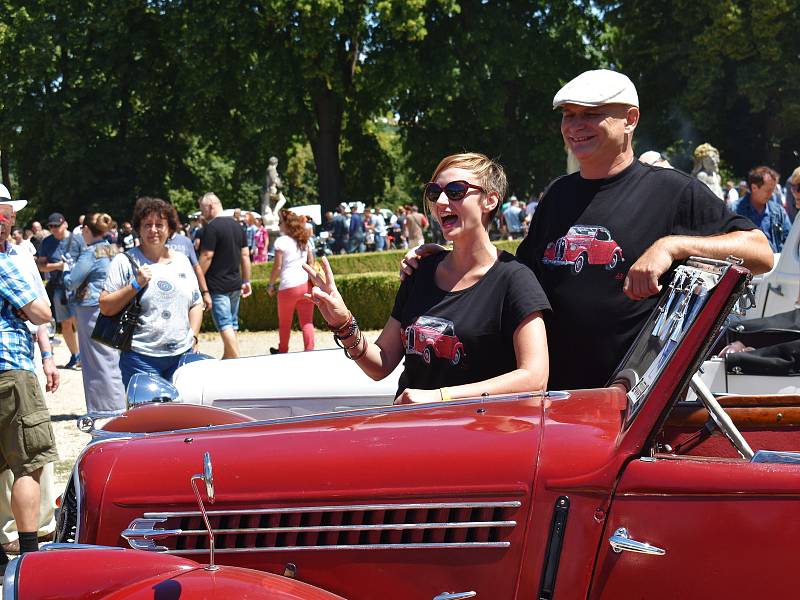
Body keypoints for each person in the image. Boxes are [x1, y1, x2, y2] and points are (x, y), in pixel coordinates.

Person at [404, 69, 772, 391]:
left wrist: (671, 247)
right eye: (568, 115)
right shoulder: (558, 195)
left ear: (630, 119)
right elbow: (518, 277)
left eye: (591, 115)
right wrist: (451, 261)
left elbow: (760, 252)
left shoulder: (673, 191)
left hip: (631, 403)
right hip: (558, 399)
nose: (574, 126)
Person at [307, 153, 550, 404]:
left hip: (480, 435)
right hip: (413, 432)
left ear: (489, 200)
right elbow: (381, 363)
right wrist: (344, 323)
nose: (441, 201)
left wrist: (440, 397)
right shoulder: (420, 270)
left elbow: (535, 377)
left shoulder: (515, 278)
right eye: (435, 192)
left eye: (456, 190)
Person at [0, 189, 58, 555]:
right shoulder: (5, 263)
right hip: (11, 372)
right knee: (28, 466)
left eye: (7, 216)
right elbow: (42, 313)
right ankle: (28, 554)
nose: (6, 222)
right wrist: (27, 311)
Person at [100, 197, 203, 388]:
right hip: (140, 357)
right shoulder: (124, 261)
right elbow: (105, 306)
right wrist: (135, 285)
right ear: (138, 228)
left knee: (183, 415)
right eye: (147, 225)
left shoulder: (182, 260)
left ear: (170, 229)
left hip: (181, 355)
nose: (153, 230)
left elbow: (196, 303)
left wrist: (194, 336)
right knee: (150, 416)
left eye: (159, 225)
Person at [62, 212, 125, 412]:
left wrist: (65, 269)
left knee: (95, 360)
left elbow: (72, 282)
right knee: (111, 356)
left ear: (87, 229)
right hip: (113, 304)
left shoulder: (91, 252)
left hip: (90, 307)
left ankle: (104, 406)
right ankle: (117, 403)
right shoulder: (113, 250)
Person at [197, 192, 252, 359]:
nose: (202, 214)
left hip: (217, 284)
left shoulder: (211, 228)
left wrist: (196, 277)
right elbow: (245, 256)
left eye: (203, 209)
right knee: (232, 324)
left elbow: (207, 256)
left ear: (211, 206)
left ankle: (236, 360)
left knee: (225, 325)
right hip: (235, 283)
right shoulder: (237, 226)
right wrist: (247, 280)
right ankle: (228, 359)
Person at [37, 212, 83, 369]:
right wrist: (58, 266)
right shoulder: (47, 242)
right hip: (58, 287)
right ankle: (75, 356)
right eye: (51, 226)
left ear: (65, 224)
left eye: (57, 225)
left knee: (80, 322)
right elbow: (41, 266)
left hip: (78, 288)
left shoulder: (78, 240)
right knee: (66, 324)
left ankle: (85, 356)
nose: (54, 229)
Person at [267, 210, 316, 354]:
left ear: (287, 224)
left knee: (285, 323)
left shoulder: (281, 241)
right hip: (305, 284)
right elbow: (311, 261)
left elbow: (278, 267)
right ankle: (310, 350)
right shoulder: (304, 239)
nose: (278, 224)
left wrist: (270, 284)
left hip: (288, 287)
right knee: (307, 321)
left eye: (280, 222)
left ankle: (283, 350)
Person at [734, 166, 791, 253]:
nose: (771, 195)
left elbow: (790, 240)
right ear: (754, 188)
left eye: (773, 190)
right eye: (768, 190)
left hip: (777, 264)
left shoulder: (779, 211)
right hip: (747, 265)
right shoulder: (734, 211)